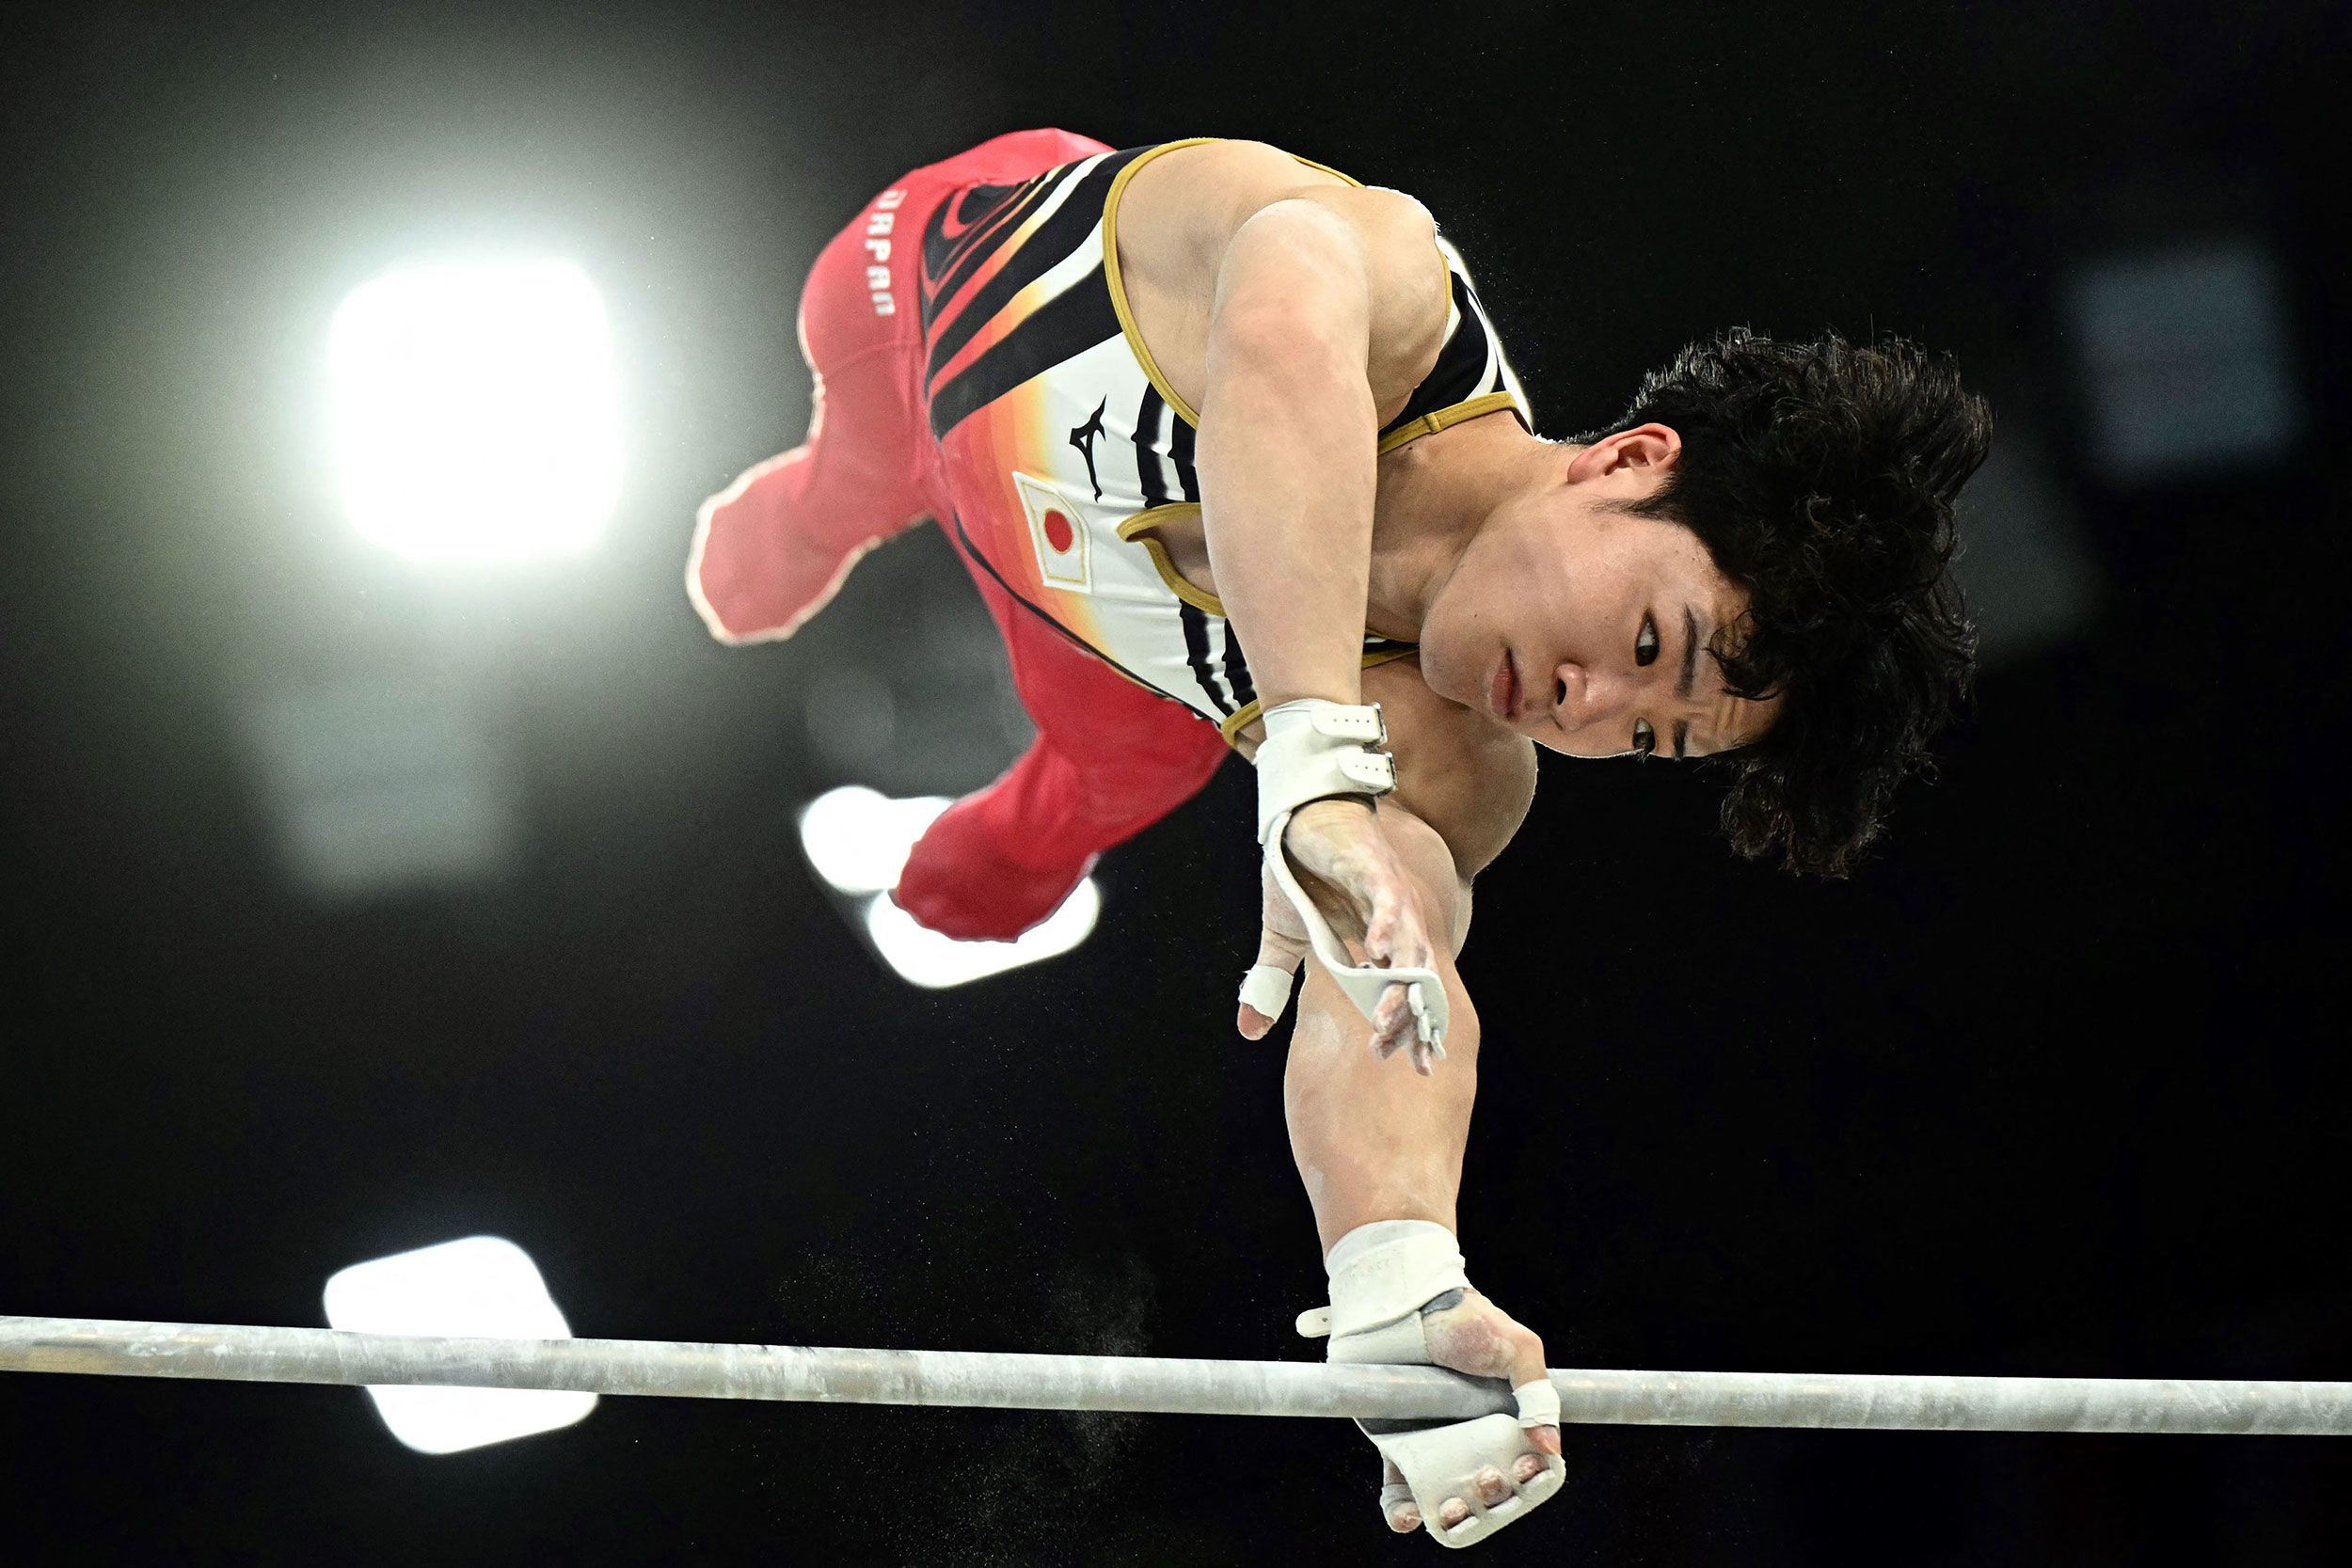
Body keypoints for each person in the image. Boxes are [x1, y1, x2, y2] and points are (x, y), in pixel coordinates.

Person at [687, 128, 1989, 1547]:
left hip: (1109, 675)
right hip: (917, 320)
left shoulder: (1455, 762)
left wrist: (1399, 1278)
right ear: (1626, 460)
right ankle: (819, 512)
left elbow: (1393, 966)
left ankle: (1028, 836)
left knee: (1103, 787)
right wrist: (1307, 739)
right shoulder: (1381, 278)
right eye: (1643, 642)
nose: (1588, 705)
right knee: (829, 501)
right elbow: (1281, 336)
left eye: (1651, 736)